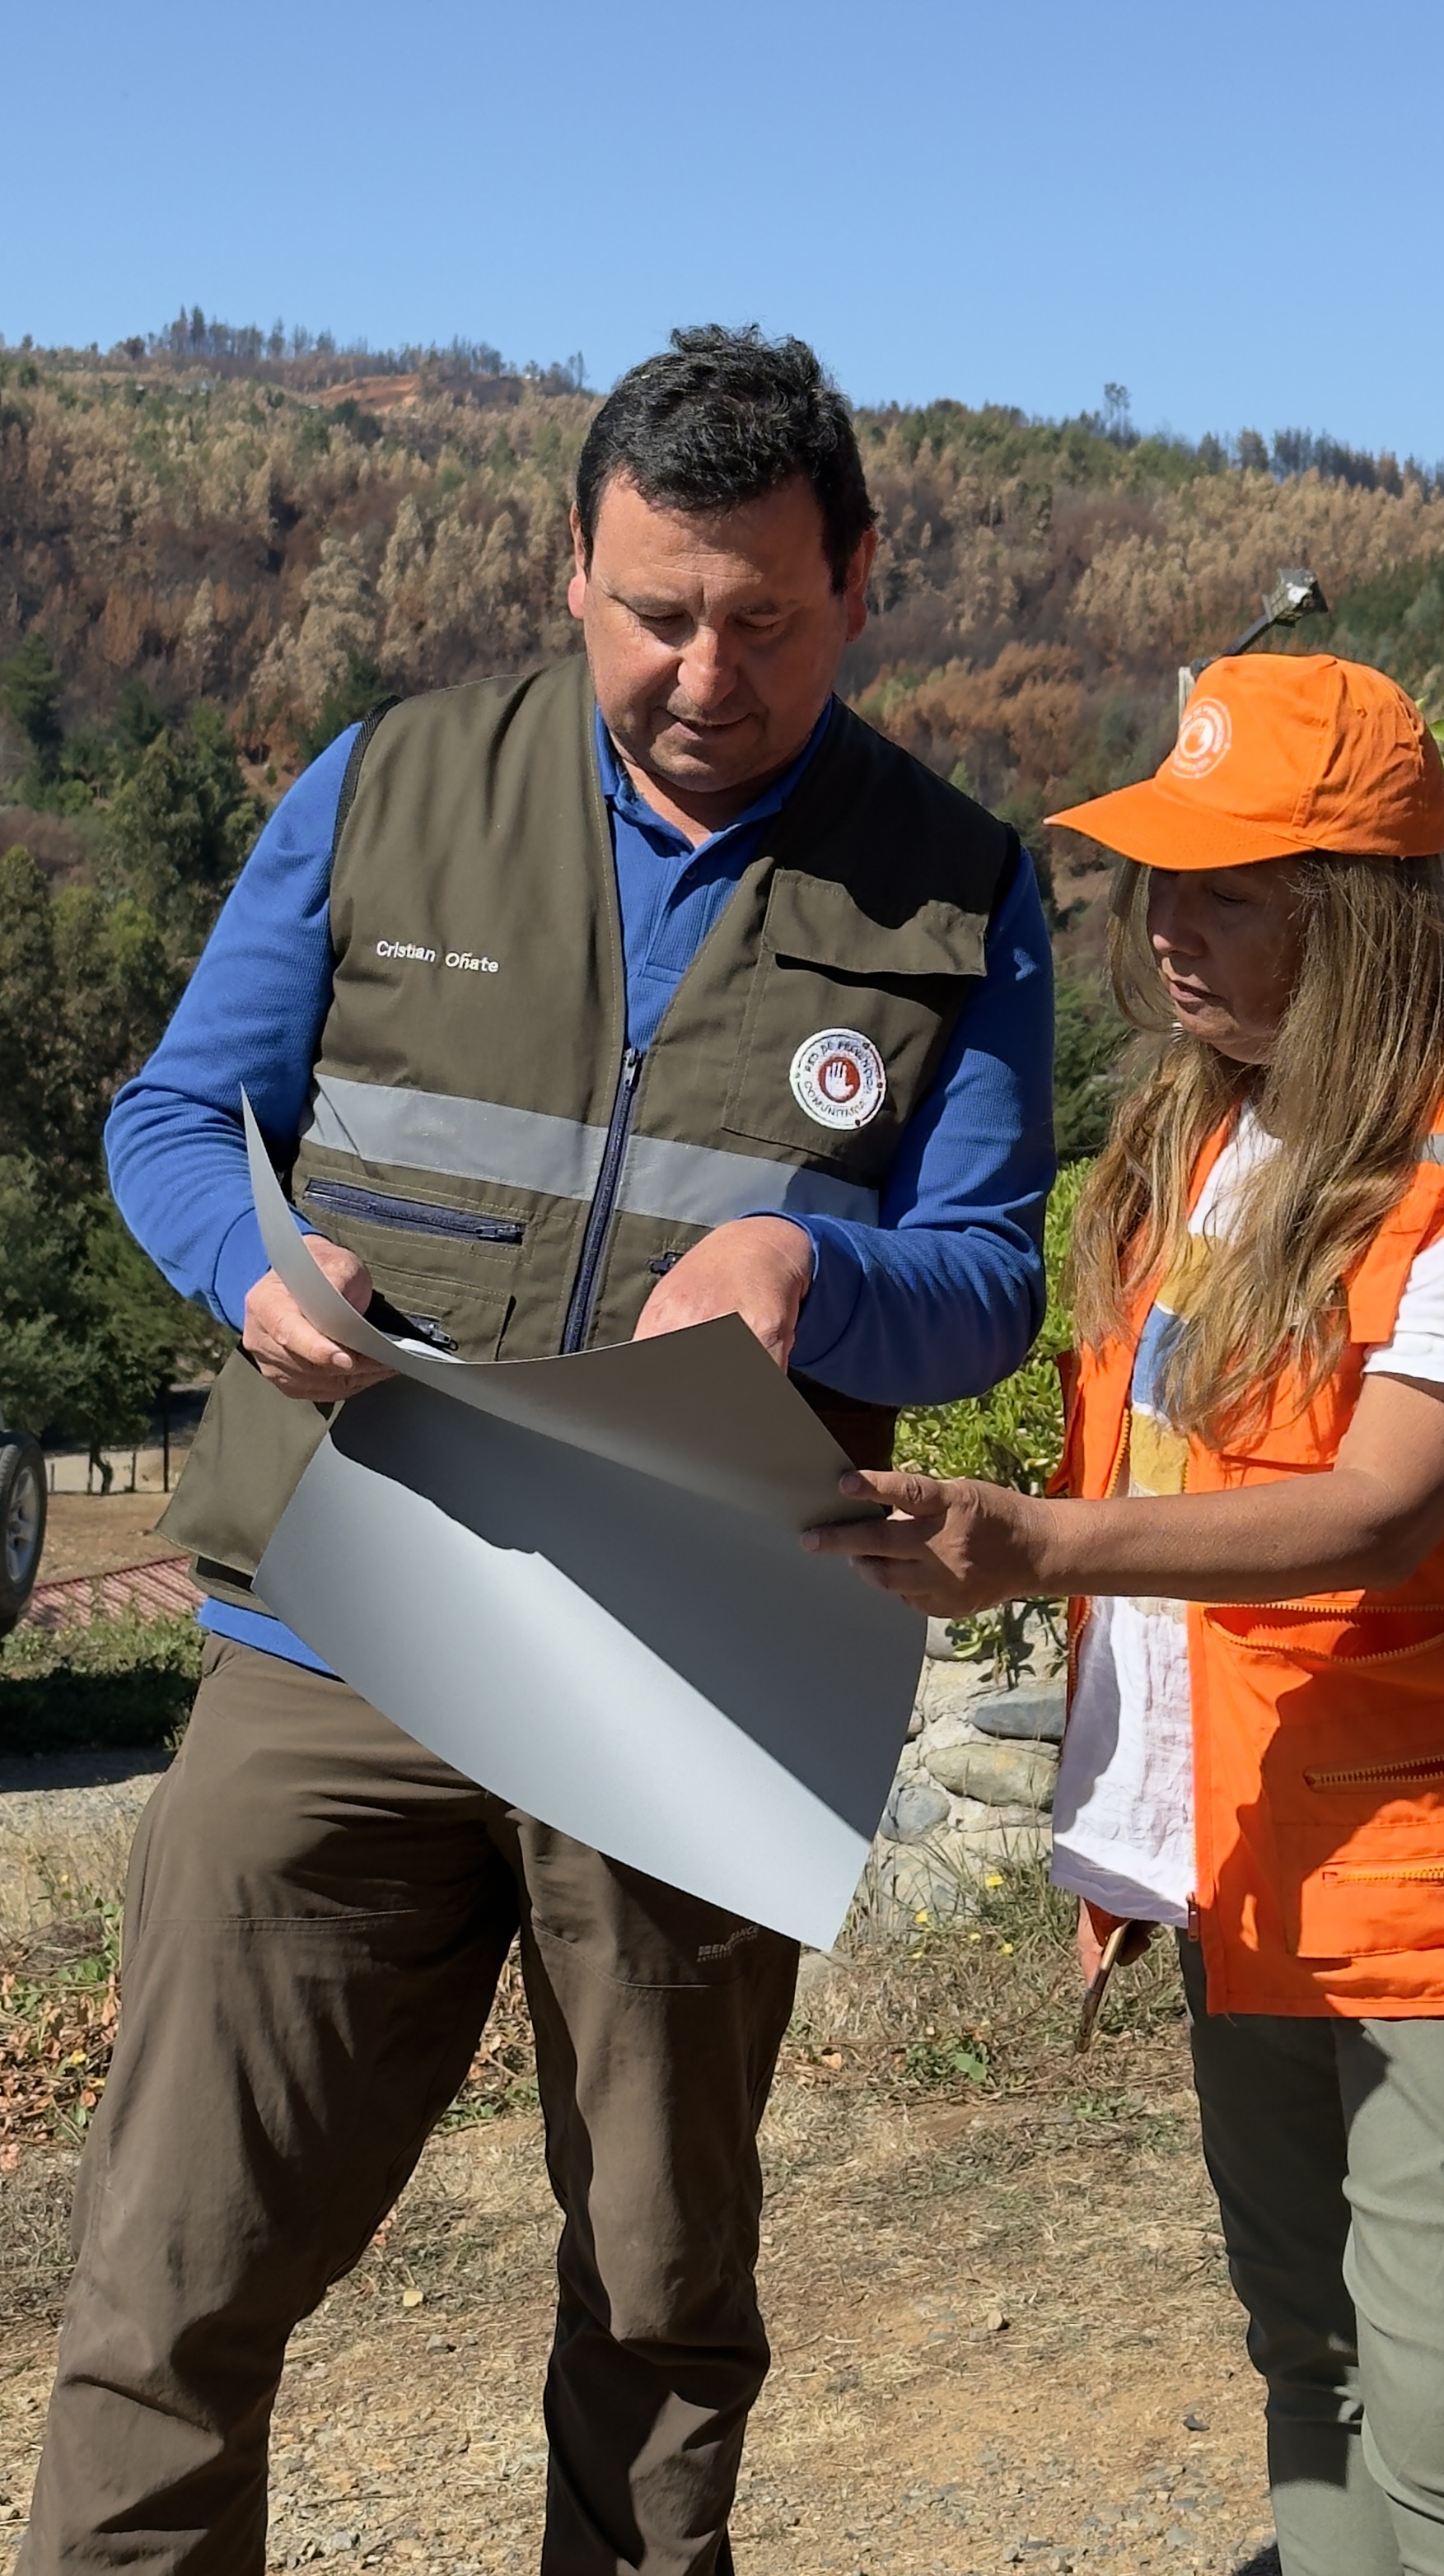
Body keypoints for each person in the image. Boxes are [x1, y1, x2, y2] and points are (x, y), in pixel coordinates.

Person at [24, 328, 1054, 2576]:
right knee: (169, 2277)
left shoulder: (959, 887)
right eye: (654, 611)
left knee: (663, 2301)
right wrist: (252, 1269)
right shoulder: (385, 786)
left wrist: (813, 1272)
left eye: (761, 618)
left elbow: (989, 1275)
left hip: (697, 1664)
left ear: (859, 580)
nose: (703, 673)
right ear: (566, 569)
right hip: (340, 1621)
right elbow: (179, 1114)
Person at [811, 651, 1444, 2576]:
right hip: (1256, 1838)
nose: (1166, 926)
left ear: (1360, 908)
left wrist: (1031, 1547)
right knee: (1314, 2355)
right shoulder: (1212, 1124)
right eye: (1160, 878)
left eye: (1225, 888)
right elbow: (1184, 1462)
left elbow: (1380, 1509)